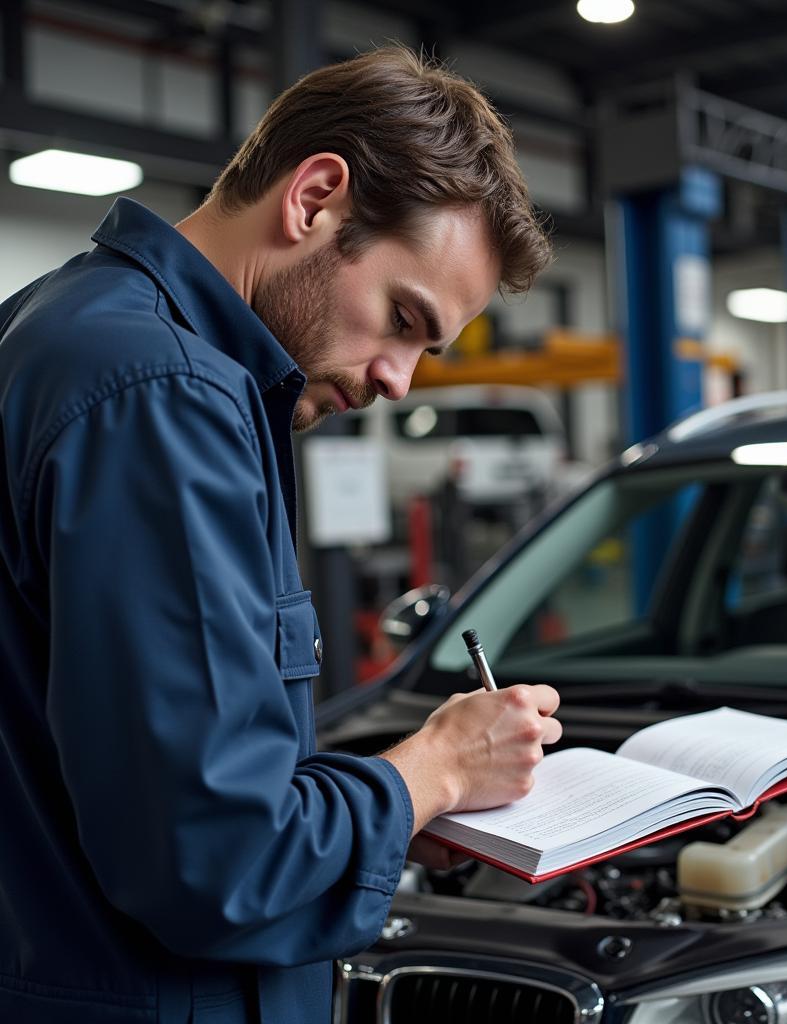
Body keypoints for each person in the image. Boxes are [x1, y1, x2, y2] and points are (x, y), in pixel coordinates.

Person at [0, 46, 560, 1024]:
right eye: (402, 318)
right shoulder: (166, 395)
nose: (399, 380)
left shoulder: (58, 326)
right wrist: (432, 770)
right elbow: (219, 859)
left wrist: (392, 812)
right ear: (316, 198)